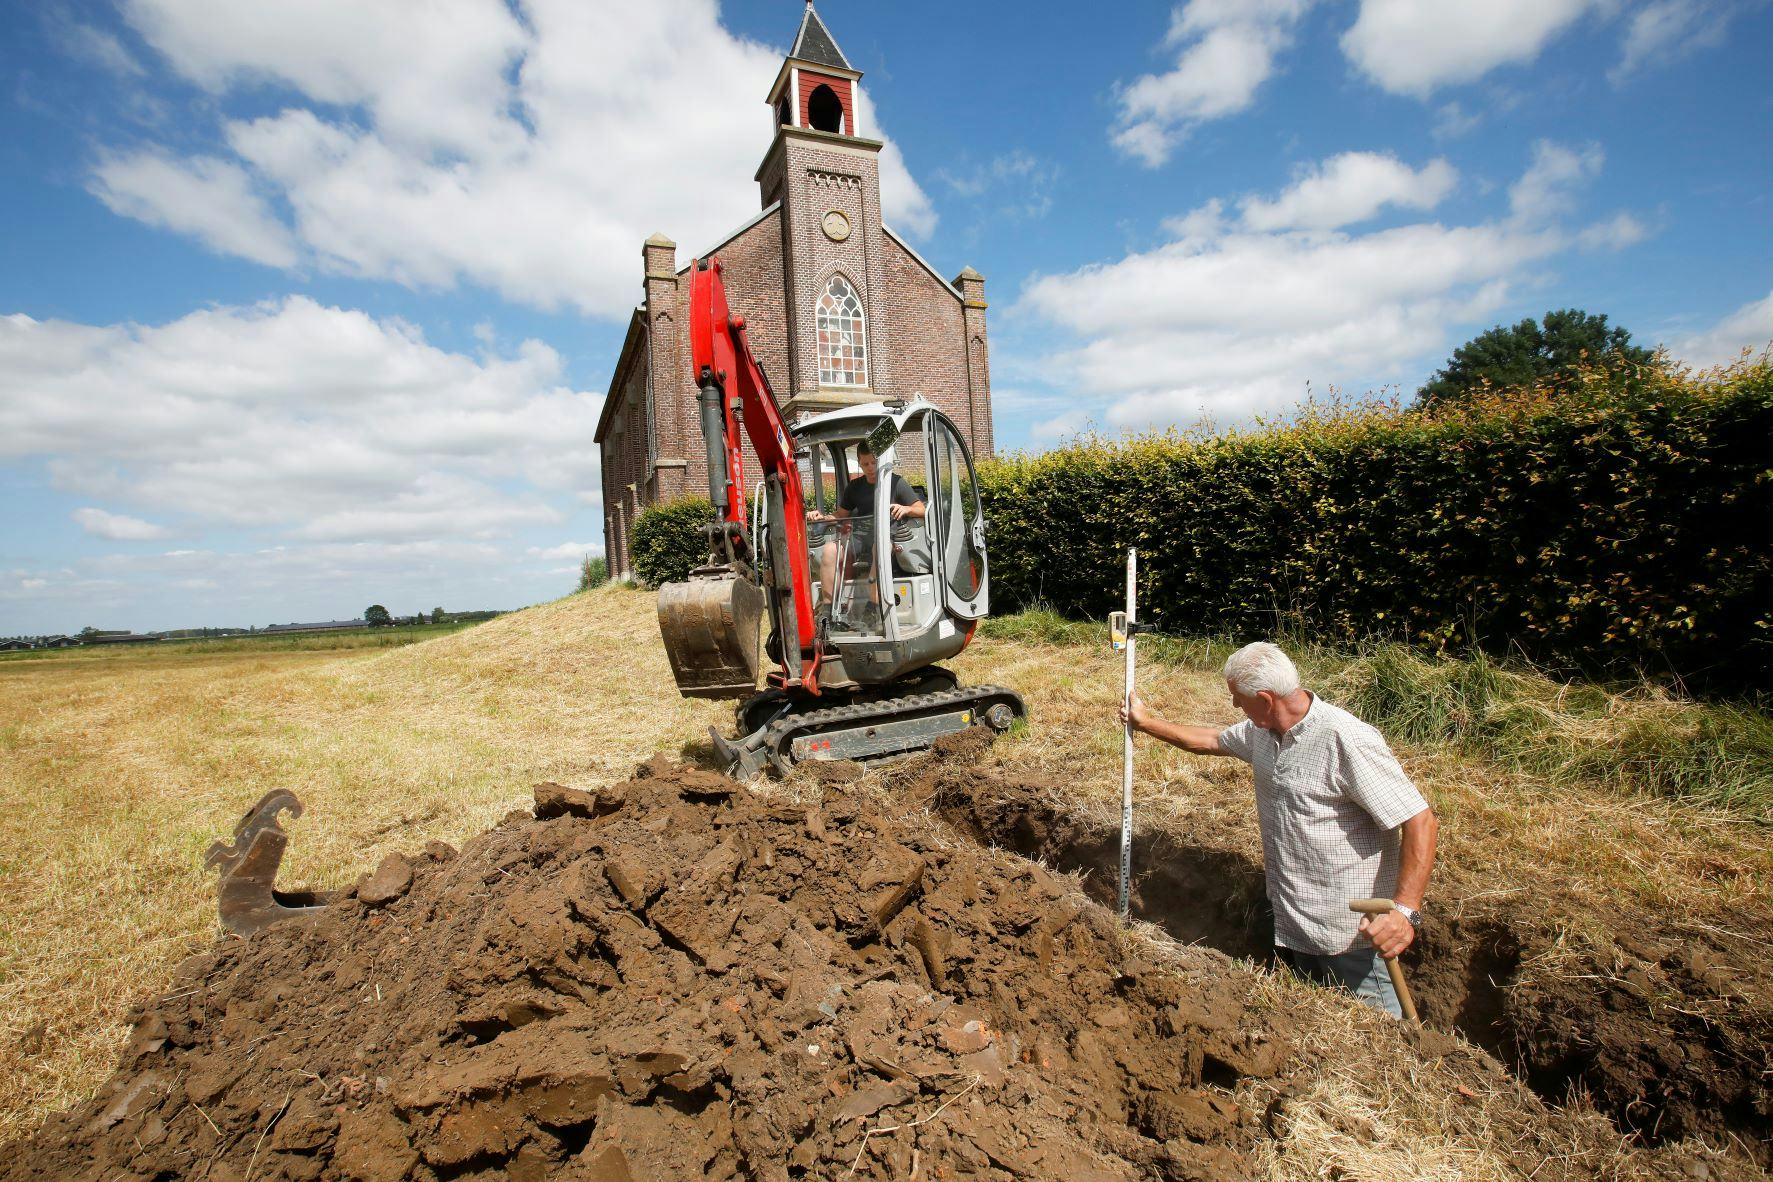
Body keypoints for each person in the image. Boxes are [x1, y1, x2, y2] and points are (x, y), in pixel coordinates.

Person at [1119, 642, 1438, 1018]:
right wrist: (1145, 723)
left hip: (1350, 936)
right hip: (1295, 923)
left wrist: (1404, 912)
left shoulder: (1346, 739)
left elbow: (1420, 819)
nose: (1235, 706)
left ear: (1266, 699)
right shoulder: (1263, 734)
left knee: (1382, 1047)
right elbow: (1210, 740)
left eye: (1238, 698)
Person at [807, 441, 925, 621]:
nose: (870, 468)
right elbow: (840, 514)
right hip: (859, 537)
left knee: (879, 547)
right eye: (865, 464)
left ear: (880, 460)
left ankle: (873, 607)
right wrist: (821, 518)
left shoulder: (896, 482)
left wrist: (907, 509)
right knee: (830, 549)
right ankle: (828, 610)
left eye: (873, 462)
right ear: (859, 463)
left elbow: (922, 509)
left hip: (888, 536)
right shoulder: (855, 487)